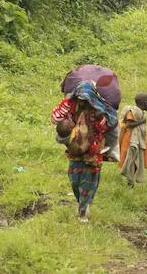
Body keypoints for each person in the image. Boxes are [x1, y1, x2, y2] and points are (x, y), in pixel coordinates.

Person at [51, 80, 117, 221]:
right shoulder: (70, 105)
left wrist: (99, 117)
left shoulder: (99, 108)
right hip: (75, 151)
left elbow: (110, 124)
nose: (82, 101)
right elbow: (55, 117)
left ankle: (83, 210)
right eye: (80, 98)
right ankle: (81, 202)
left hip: (93, 151)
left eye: (85, 99)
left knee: (89, 180)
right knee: (74, 179)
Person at [118, 92, 147, 186]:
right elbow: (129, 125)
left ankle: (130, 182)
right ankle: (130, 182)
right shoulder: (132, 111)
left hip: (137, 141)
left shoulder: (140, 112)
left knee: (135, 161)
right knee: (131, 160)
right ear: (144, 103)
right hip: (130, 141)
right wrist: (141, 121)